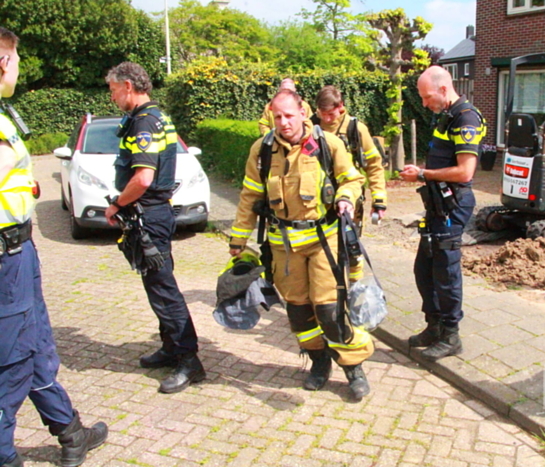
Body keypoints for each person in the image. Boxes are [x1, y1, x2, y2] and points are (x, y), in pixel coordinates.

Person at [0, 27, 108, 467]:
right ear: (3, 63)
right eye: (16, 60)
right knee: (13, 358)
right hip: (6, 261)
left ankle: (70, 431)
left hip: (19, 251)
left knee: (35, 344)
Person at [229, 89, 374, 399]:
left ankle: (353, 367)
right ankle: (319, 362)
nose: (283, 122)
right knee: (298, 312)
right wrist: (238, 238)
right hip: (283, 247)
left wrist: (346, 198)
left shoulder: (327, 144)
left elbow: (352, 179)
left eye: (289, 115)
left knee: (329, 309)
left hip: (324, 242)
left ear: (303, 113)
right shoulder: (262, 150)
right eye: (277, 117)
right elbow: (250, 194)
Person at [104, 62, 205, 394]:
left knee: (163, 289)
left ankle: (189, 361)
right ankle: (170, 348)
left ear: (128, 86)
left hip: (149, 216)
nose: (112, 97)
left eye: (113, 90)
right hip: (153, 214)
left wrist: (117, 204)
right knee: (157, 285)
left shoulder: (145, 122)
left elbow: (143, 178)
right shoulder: (157, 116)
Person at [399, 66, 485, 362]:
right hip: (437, 204)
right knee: (425, 269)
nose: (424, 104)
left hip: (452, 205)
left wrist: (423, 174)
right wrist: (423, 172)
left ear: (444, 89)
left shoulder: (466, 118)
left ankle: (451, 335)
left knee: (446, 272)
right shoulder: (447, 115)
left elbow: (465, 172)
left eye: (427, 97)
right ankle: (434, 326)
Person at [312, 85, 387, 282]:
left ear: (341, 107)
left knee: (351, 248)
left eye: (331, 114)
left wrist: (379, 200)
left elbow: (374, 166)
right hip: (317, 201)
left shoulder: (356, 130)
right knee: (320, 250)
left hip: (350, 199)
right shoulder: (310, 127)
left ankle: (354, 287)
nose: (327, 119)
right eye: (322, 114)